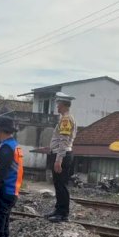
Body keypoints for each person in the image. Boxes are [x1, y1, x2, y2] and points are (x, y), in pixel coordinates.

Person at [45, 92, 76, 222]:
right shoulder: (65, 118)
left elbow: (63, 140)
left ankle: (63, 214)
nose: (56, 106)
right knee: (58, 184)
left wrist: (59, 159)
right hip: (61, 154)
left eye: (58, 103)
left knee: (61, 185)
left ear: (63, 104)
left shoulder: (66, 119)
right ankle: (58, 210)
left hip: (61, 155)